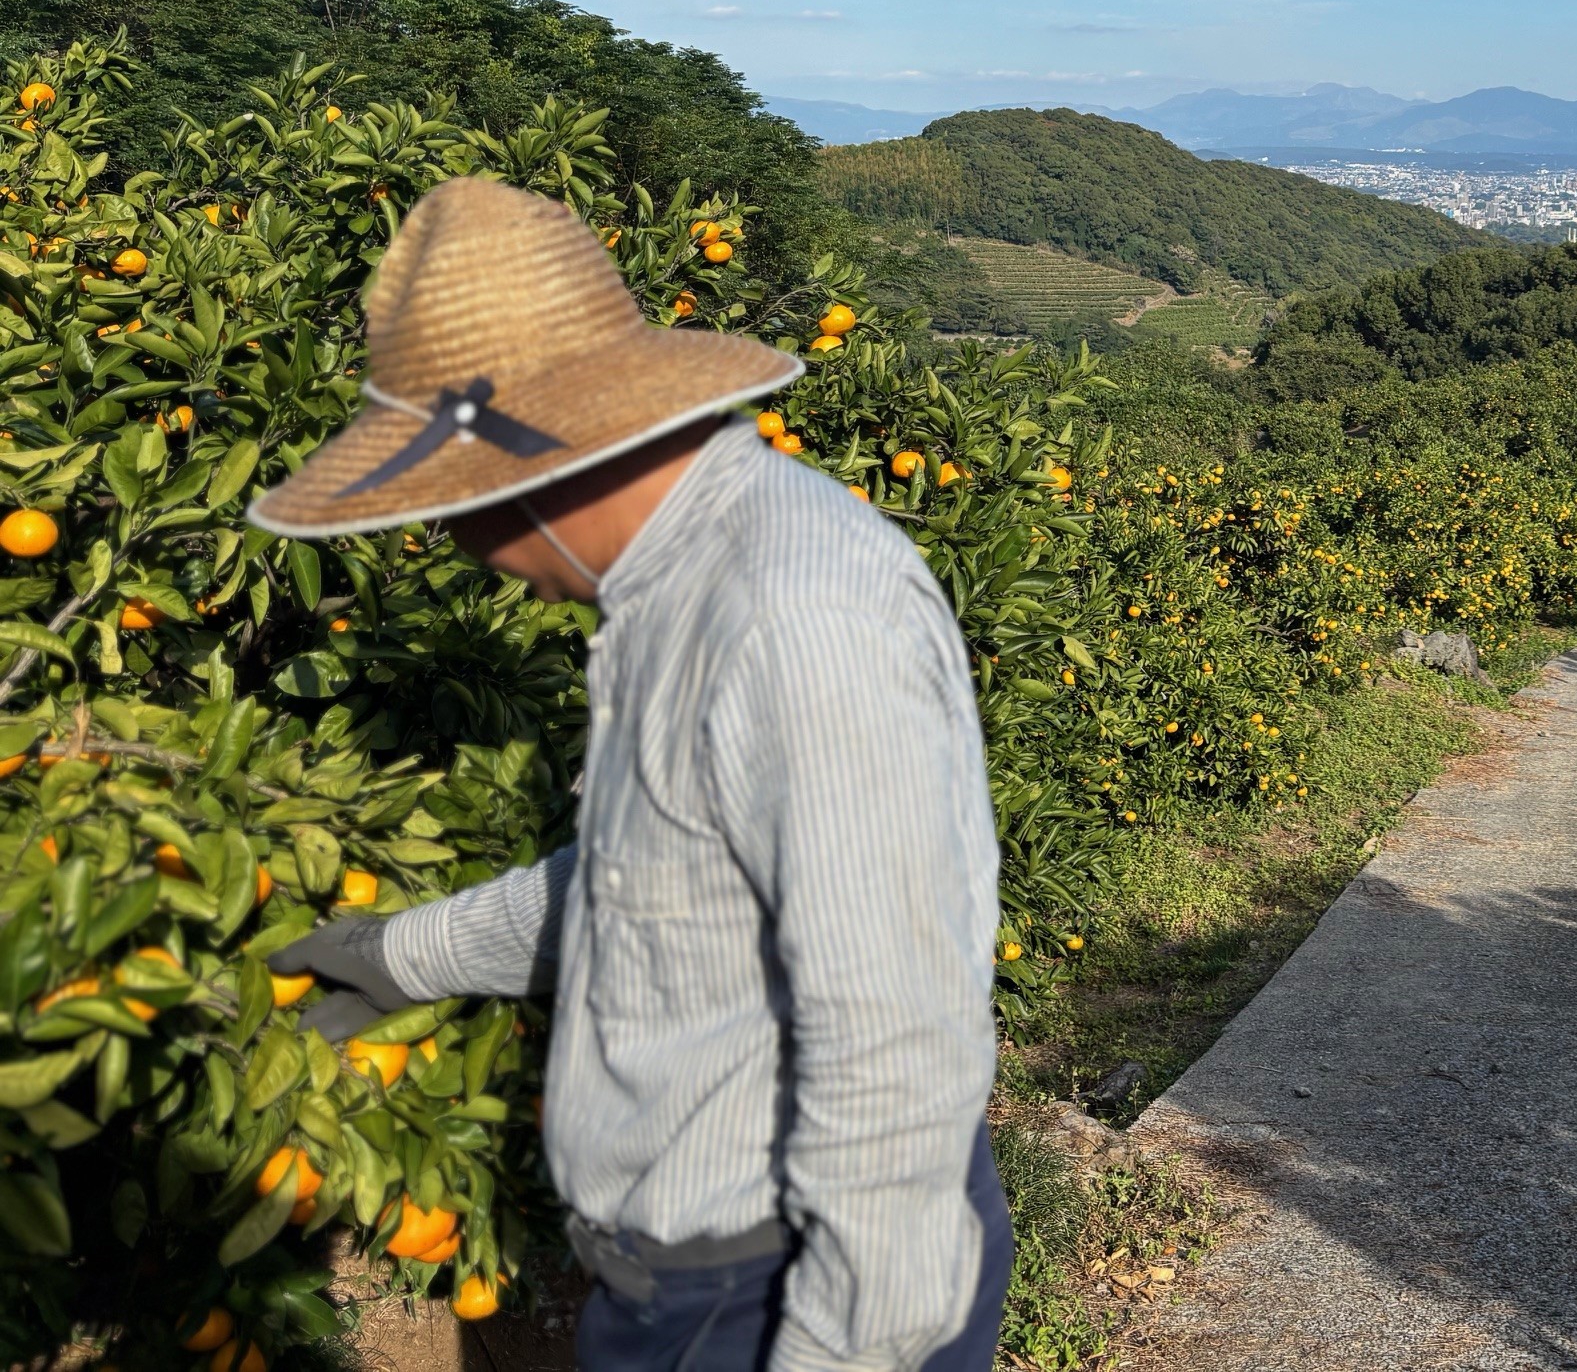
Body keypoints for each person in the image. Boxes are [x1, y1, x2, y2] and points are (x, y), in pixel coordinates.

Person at [249, 177, 1012, 1372]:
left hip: (787, 1291)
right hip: (688, 1283)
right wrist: (405, 954)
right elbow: (650, 872)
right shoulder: (674, 590)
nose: (449, 541)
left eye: (444, 505)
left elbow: (895, 1042)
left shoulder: (793, 615)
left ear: (520, 475)